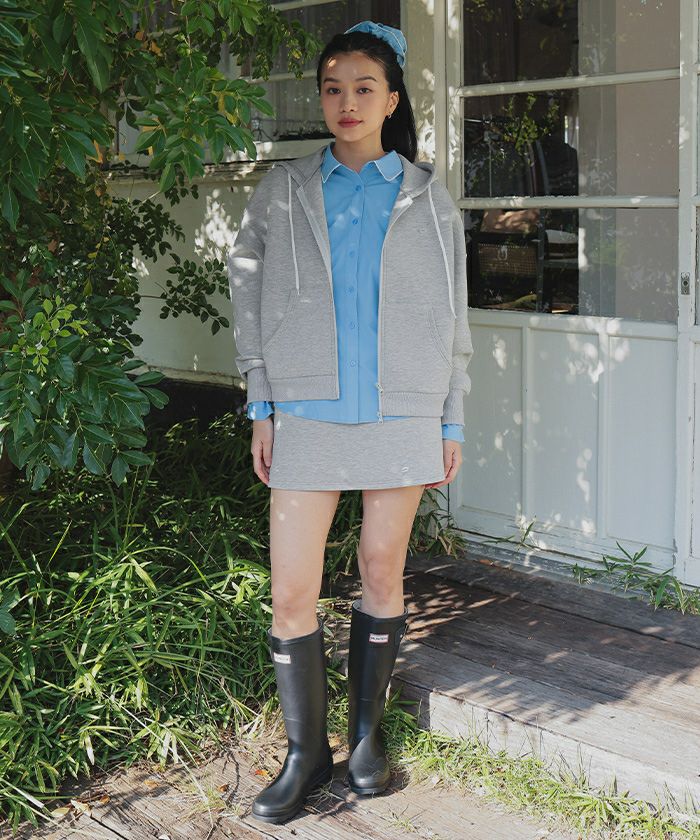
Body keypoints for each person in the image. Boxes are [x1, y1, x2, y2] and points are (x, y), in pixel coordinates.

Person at [227, 20, 474, 825]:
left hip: (403, 410)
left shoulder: (427, 197)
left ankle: (367, 741)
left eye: (365, 88)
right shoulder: (286, 189)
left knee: (380, 570)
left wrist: (451, 418)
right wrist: (261, 402)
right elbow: (248, 290)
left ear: (392, 100)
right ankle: (307, 755)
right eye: (333, 88)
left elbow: (453, 316)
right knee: (292, 589)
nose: (347, 102)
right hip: (305, 411)